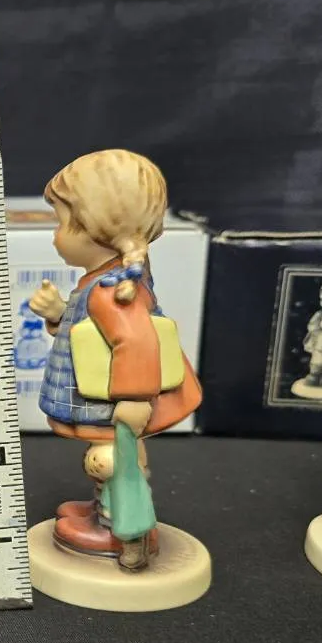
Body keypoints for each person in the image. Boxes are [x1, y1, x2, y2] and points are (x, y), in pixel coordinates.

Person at [26, 150, 202, 566]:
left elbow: (136, 340)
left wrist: (135, 398)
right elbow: (93, 337)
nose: (54, 235)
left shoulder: (110, 290)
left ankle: (119, 531)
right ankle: (103, 511)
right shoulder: (103, 282)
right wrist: (59, 315)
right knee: (108, 463)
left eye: (61, 223)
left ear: (98, 229)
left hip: (115, 405)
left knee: (111, 463)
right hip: (104, 399)